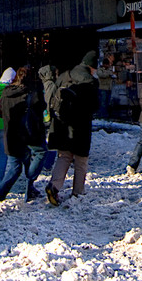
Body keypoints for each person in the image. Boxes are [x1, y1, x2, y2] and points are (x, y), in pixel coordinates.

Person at [0, 65, 55, 206]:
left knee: (15, 166)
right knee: (40, 152)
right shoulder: (34, 92)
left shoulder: (6, 92)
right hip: (30, 133)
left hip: (11, 135)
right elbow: (42, 110)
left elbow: (0, 113)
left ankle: (0, 193)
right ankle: (30, 180)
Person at [48, 54, 99, 201]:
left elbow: (53, 96)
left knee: (64, 156)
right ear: (91, 67)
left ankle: (54, 186)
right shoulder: (90, 81)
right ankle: (77, 192)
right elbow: (95, 105)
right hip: (81, 126)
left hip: (63, 124)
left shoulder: (65, 75)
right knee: (81, 160)